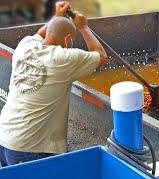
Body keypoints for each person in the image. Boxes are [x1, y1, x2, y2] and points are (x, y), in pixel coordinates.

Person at [0, 1, 108, 167]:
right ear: (68, 40)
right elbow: (102, 57)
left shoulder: (26, 45)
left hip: (5, 137)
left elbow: (42, 33)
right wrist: (83, 27)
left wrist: (57, 16)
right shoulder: (62, 59)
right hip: (30, 148)